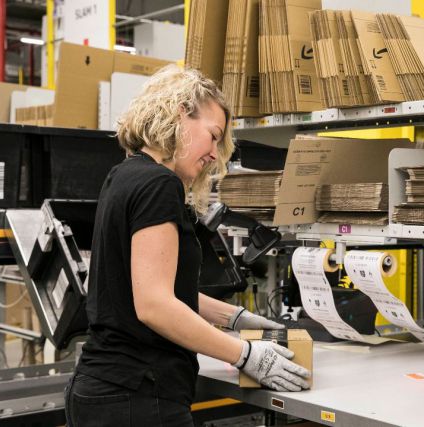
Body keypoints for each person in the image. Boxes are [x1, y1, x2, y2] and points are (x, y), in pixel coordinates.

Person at [64, 65, 311, 427]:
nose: (214, 153)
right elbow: (154, 306)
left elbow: (148, 286)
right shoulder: (159, 185)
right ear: (180, 113)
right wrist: (245, 355)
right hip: (137, 396)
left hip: (103, 389)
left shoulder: (125, 174)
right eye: (213, 136)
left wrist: (235, 318)